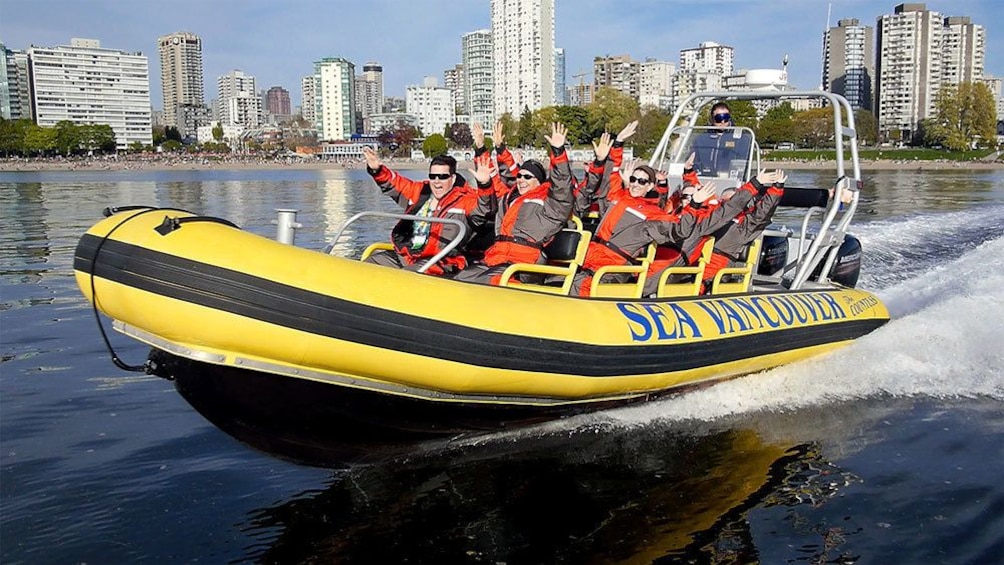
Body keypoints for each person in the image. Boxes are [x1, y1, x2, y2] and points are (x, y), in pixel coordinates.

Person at [456, 122, 575, 285]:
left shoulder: (548, 203)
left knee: (488, 280)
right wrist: (480, 148)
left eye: (527, 177)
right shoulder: (508, 198)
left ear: (539, 182)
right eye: (519, 176)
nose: (521, 180)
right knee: (462, 277)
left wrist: (558, 152)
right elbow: (488, 174)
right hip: (498, 257)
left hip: (526, 262)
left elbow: (562, 187)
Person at [361, 146, 478, 276]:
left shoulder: (467, 198)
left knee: (405, 276)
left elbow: (485, 208)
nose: (437, 181)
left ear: (453, 178)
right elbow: (396, 184)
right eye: (433, 176)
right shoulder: (421, 191)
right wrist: (377, 170)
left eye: (443, 176)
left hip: (442, 261)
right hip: (408, 256)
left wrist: (485, 184)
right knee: (368, 265)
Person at [690, 101, 754, 181]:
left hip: (731, 182)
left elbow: (745, 163)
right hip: (704, 180)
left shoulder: (742, 138)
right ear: (712, 119)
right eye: (719, 118)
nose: (723, 121)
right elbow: (694, 161)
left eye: (726, 117)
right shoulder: (701, 139)